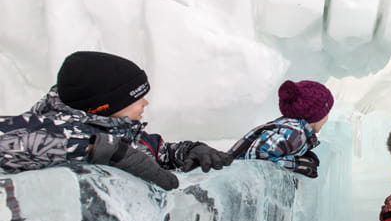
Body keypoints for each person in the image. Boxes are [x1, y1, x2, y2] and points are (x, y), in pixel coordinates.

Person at [0, 51, 233, 190]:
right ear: (103, 106)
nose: (145, 103)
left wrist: (188, 151)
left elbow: (157, 151)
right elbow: (8, 140)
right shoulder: (51, 131)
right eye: (136, 98)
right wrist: (95, 147)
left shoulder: (123, 133)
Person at [228, 79, 333, 179]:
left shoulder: (295, 130)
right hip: (235, 180)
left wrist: (298, 153)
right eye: (326, 113)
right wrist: (295, 164)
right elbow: (256, 158)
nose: (327, 119)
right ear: (314, 116)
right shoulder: (294, 133)